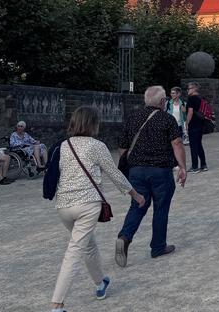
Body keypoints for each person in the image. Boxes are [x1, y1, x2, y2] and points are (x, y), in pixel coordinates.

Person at [51, 106, 145, 312]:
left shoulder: (63, 145)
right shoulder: (97, 145)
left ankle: (100, 283)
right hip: (87, 204)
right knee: (75, 251)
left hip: (64, 205)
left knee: (88, 244)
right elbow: (115, 173)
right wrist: (135, 195)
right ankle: (57, 304)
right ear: (93, 123)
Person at [115, 86, 187, 267]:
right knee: (161, 208)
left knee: (137, 205)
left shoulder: (132, 118)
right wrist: (182, 167)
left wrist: (127, 166)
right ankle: (158, 246)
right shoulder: (167, 119)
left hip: (136, 170)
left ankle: (125, 236)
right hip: (161, 170)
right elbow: (177, 143)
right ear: (163, 102)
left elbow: (123, 147)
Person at [185, 82, 208, 172]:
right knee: (199, 145)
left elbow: (190, 112)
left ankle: (195, 166)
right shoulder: (201, 98)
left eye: (189, 88)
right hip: (201, 124)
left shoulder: (191, 99)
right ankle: (203, 164)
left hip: (193, 124)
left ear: (194, 89)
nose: (187, 90)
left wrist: (186, 123)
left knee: (193, 146)